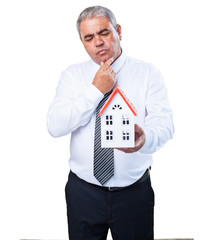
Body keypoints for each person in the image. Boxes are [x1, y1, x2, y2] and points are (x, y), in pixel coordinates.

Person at [47, 5, 174, 240]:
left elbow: (165, 124)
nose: (98, 42)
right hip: (83, 193)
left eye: (104, 33)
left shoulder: (147, 73)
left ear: (118, 31)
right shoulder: (72, 75)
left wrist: (145, 138)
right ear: (83, 43)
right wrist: (96, 90)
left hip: (134, 193)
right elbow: (55, 126)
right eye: (89, 37)